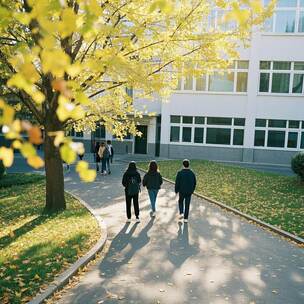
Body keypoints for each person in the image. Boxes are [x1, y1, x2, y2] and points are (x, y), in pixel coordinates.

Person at [175, 159, 196, 223]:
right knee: (187, 204)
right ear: (188, 165)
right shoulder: (192, 173)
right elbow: (194, 182)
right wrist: (192, 190)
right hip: (189, 192)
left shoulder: (180, 173)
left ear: (183, 165)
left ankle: (181, 212)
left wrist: (176, 190)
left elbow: (177, 182)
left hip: (182, 191)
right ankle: (186, 218)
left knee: (180, 201)